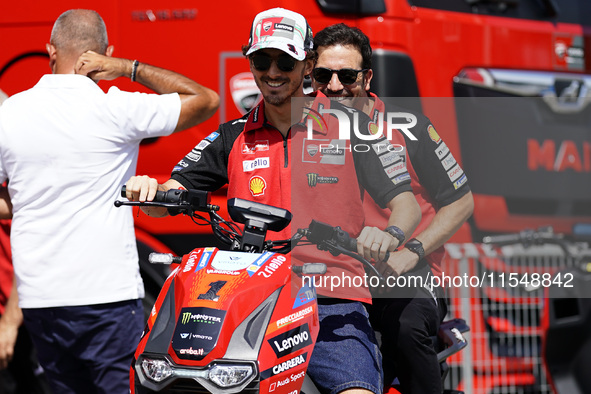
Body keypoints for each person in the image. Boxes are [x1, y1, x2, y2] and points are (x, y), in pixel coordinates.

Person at [126, 8, 422, 394]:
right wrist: (149, 191)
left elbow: (407, 203)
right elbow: (169, 197)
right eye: (262, 60)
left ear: (308, 65)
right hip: (242, 300)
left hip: (329, 297)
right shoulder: (232, 136)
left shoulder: (353, 127)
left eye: (286, 60)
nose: (273, 71)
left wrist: (390, 233)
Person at [0, 9, 219, 394]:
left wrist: (34, 196)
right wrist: (127, 67)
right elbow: (205, 99)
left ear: (50, 50)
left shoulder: (10, 114)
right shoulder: (115, 109)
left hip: (40, 298)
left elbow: (6, 202)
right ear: (105, 52)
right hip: (107, 296)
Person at [311, 23, 474, 394]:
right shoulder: (302, 128)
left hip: (407, 274)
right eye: (323, 75)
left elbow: (462, 201)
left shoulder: (410, 126)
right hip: (333, 277)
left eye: (347, 76)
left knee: (406, 327)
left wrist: (412, 250)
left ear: (367, 77)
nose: (334, 86)